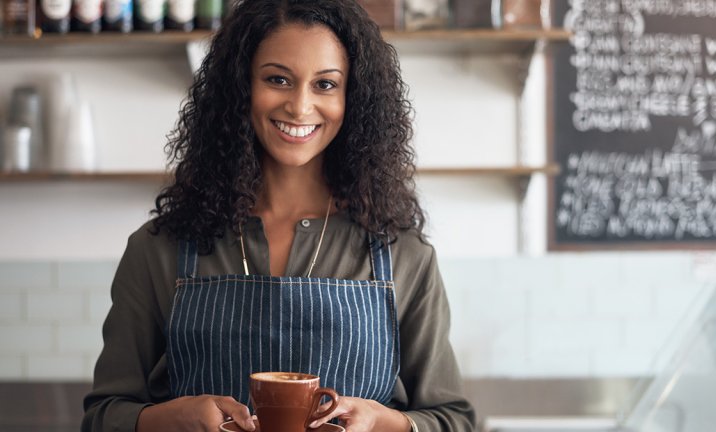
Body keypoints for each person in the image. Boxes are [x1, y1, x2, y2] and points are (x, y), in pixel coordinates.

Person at [81, 0, 475, 431]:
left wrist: (388, 423)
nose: (300, 107)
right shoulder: (158, 249)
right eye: (278, 79)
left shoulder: (403, 254)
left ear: (354, 98)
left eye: (325, 85)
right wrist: (167, 419)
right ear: (240, 87)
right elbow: (103, 416)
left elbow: (453, 419)